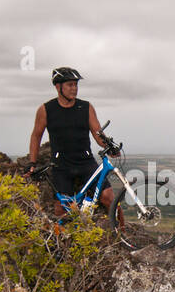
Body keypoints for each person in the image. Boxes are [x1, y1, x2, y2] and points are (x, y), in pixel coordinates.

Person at [26, 67, 121, 222]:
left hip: (86, 162)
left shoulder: (85, 107)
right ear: (58, 87)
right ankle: (64, 241)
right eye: (70, 85)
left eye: (76, 85)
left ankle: (122, 235)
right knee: (62, 209)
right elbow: (36, 136)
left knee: (110, 198)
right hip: (61, 166)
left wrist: (109, 147)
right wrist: (32, 162)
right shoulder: (46, 110)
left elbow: (98, 133)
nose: (74, 88)